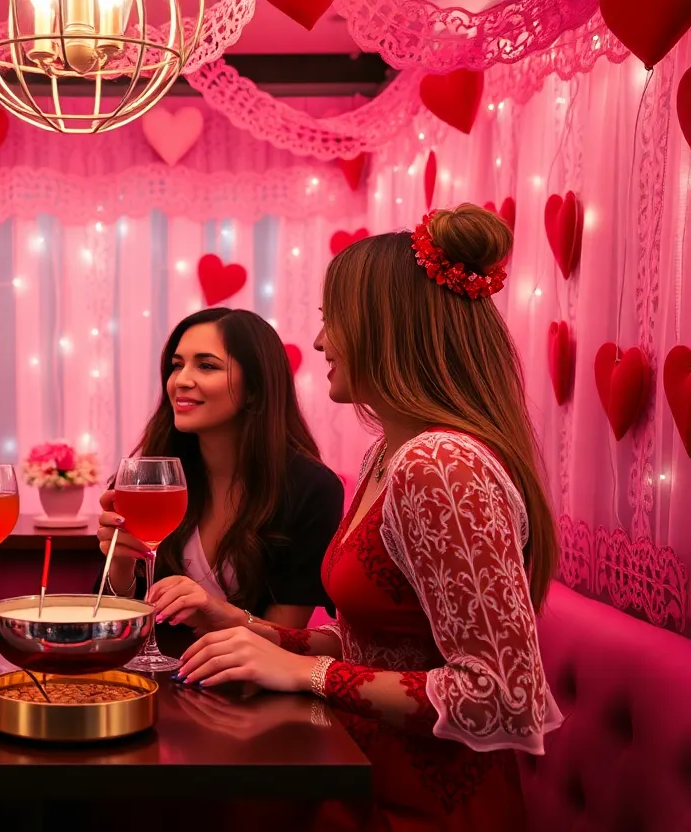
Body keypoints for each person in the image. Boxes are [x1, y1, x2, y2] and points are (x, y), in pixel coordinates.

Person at [177, 205, 565, 830]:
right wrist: (244, 624)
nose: (322, 341)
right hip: (361, 775)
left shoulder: (440, 464)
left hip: (424, 807)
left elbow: (500, 698)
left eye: (333, 321)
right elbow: (382, 647)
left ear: (388, 328)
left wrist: (307, 672)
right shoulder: (391, 453)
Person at [96, 308, 344, 632]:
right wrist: (120, 564)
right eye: (176, 365)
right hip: (154, 676)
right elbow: (117, 625)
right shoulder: (151, 480)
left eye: (206, 365)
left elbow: (288, 637)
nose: (181, 380)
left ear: (255, 387)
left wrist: (213, 611)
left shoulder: (310, 488)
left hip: (245, 681)